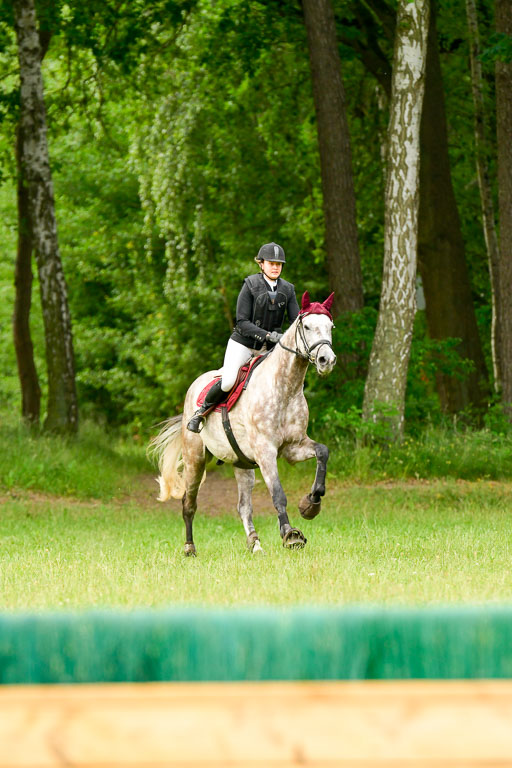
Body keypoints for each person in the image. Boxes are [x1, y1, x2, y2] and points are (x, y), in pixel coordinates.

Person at [187, 242, 300, 432]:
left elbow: (295, 321)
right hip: (244, 344)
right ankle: (201, 413)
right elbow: (242, 321)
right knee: (229, 381)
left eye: (279, 264)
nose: (275, 267)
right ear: (261, 264)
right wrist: (267, 335)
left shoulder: (288, 289)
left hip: (269, 349)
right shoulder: (250, 285)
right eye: (271, 263)